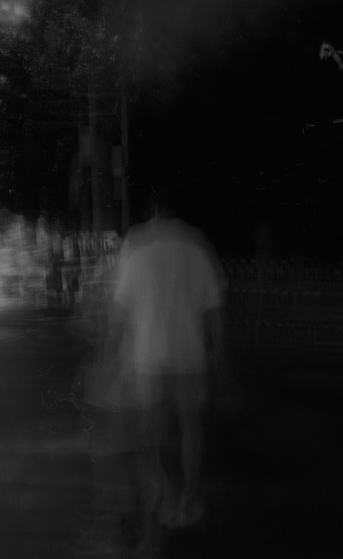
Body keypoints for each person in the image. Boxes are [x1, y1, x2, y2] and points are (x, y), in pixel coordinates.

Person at [102, 184, 227, 556]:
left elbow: (120, 312)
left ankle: (165, 499)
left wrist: (110, 359)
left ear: (152, 207)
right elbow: (215, 310)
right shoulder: (197, 245)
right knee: (190, 428)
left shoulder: (137, 246)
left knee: (150, 439)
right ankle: (188, 497)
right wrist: (221, 361)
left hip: (149, 358)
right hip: (190, 355)